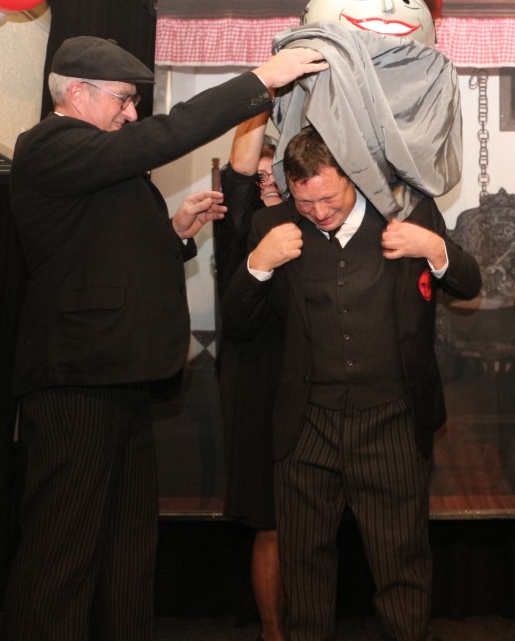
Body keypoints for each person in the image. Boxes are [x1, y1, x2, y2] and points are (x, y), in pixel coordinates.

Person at [1, 36, 328, 641]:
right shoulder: (48, 144)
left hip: (122, 375)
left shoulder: (93, 160)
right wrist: (261, 79)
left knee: (128, 548)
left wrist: (175, 233)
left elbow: (102, 253)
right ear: (78, 93)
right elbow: (167, 135)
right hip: (77, 379)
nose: (131, 114)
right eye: (123, 99)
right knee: (62, 551)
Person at [222, 126, 481, 641]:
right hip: (305, 426)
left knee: (401, 567)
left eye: (328, 198)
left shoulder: (408, 212)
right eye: (305, 202)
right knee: (305, 572)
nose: (318, 212)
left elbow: (468, 282)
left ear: (353, 177)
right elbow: (239, 324)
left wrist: (433, 247)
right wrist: (259, 264)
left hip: (391, 421)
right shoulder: (272, 225)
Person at [214, 112, 287, 641]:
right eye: (257, 176)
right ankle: (273, 634)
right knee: (271, 520)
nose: (266, 183)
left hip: (312, 377)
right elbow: (239, 178)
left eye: (274, 174)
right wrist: (263, 95)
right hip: (257, 379)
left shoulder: (312, 220)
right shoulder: (237, 227)